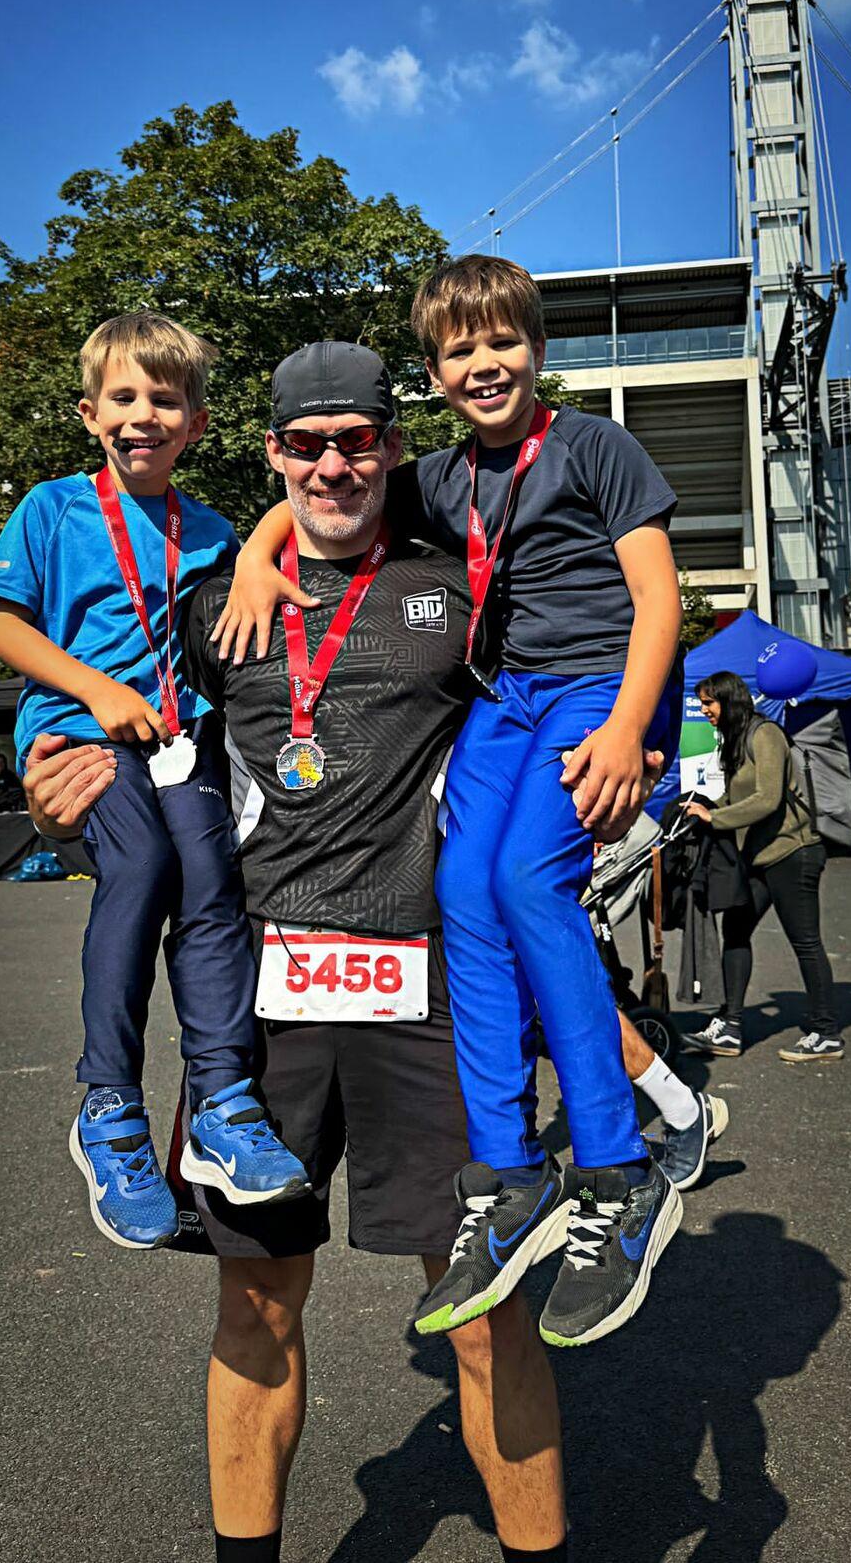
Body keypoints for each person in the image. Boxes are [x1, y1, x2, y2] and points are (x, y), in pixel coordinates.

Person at [24, 339, 575, 1563]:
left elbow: (557, 698)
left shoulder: (457, 586)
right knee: (257, 1303)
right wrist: (60, 805)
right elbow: (132, 755)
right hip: (261, 1005)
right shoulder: (208, 602)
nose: (333, 465)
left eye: (357, 441)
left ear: (392, 445)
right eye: (305, 444)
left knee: (485, 1309)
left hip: (433, 992)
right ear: (271, 452)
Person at [220, 256, 690, 1348]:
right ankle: (507, 1174)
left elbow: (660, 598)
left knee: (525, 880)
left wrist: (630, 728)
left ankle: (618, 1170)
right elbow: (317, 496)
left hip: (598, 688)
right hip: (506, 696)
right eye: (458, 350)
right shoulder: (435, 478)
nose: (483, 364)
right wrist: (252, 555)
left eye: (501, 341)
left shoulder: (595, 447)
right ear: (432, 375)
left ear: (537, 346)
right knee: (461, 888)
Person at [0, 311, 308, 1250]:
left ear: (195, 422)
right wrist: (98, 690)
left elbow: (260, 576)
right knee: (144, 866)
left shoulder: (212, 530)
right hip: (82, 736)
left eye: (164, 399)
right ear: (90, 413)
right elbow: (1, 627)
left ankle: (222, 1101)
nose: (142, 415)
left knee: (211, 880)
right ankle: (109, 1104)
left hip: (178, 739)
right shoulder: (51, 509)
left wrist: (253, 555)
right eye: (122, 397)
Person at [683, 669, 844, 1063]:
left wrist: (715, 818)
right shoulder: (736, 741)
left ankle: (826, 1033)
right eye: (702, 704)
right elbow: (737, 797)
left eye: (709, 703)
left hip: (793, 853)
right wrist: (703, 807)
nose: (705, 710)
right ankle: (731, 1027)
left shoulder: (765, 734)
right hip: (759, 857)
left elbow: (767, 799)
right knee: (736, 930)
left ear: (729, 700)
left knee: (805, 941)